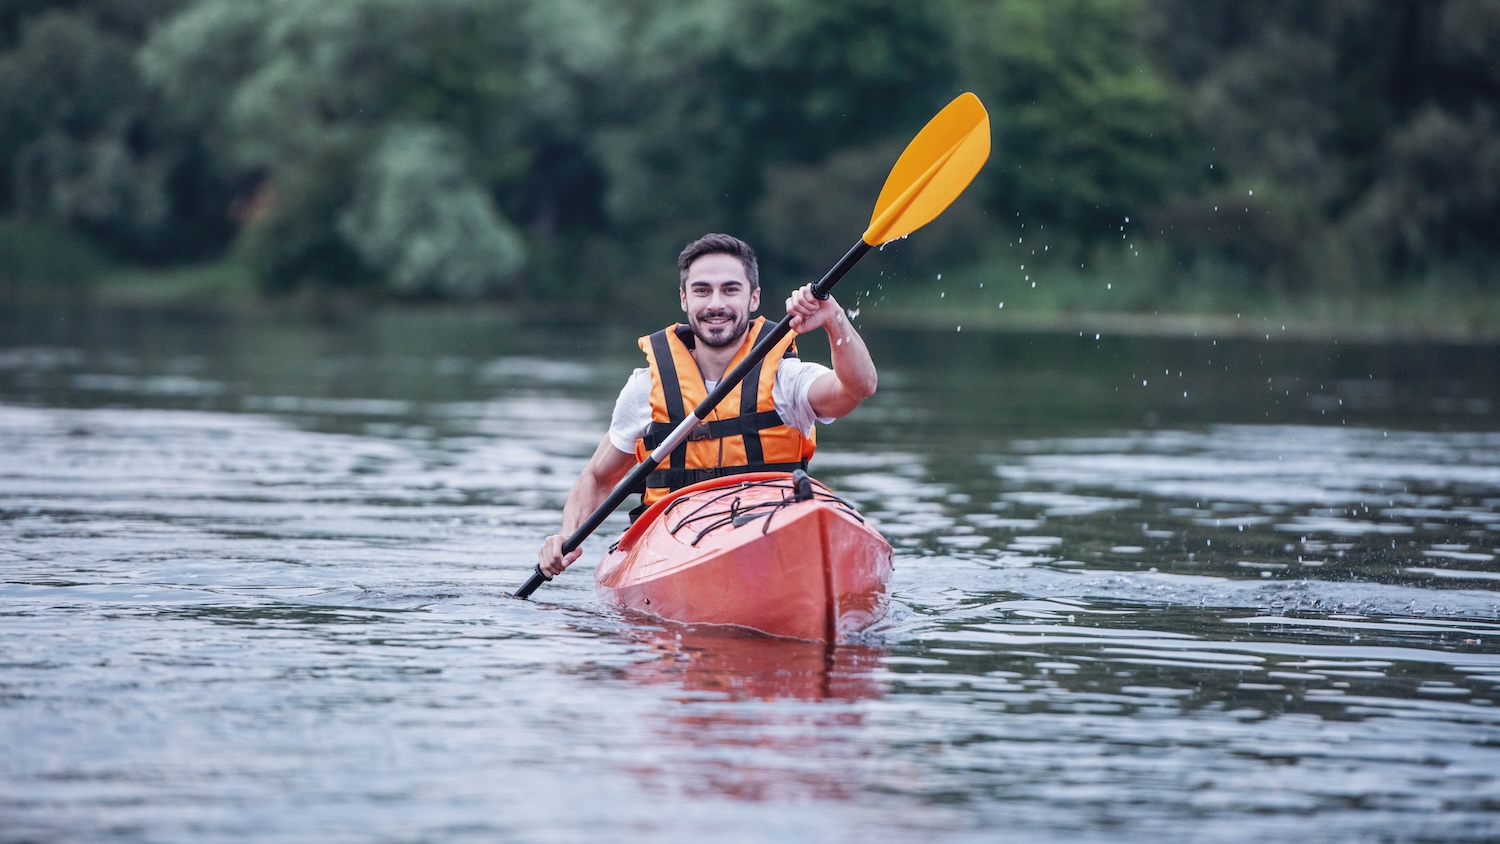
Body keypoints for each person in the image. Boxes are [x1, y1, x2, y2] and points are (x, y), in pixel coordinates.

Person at [537, 233, 877, 578]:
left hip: (773, 525)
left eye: (731, 289)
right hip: (671, 542)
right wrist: (567, 534)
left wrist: (834, 320)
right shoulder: (646, 387)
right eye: (702, 290)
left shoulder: (786, 379)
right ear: (684, 299)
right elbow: (598, 476)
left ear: (754, 298)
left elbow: (858, 388)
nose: (716, 304)